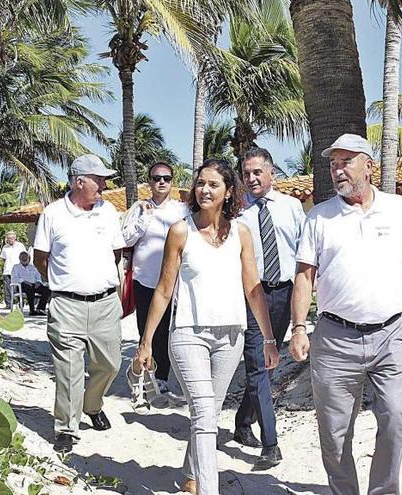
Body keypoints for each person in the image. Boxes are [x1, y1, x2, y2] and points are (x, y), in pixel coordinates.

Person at [289, 134, 402, 495]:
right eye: (333, 164)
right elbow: (305, 277)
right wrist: (298, 328)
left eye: (345, 162)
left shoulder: (398, 208)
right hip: (335, 339)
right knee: (335, 433)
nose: (337, 170)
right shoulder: (319, 216)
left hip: (390, 335)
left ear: (369, 165)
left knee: (395, 420)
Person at [136, 159, 280, 495]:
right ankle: (207, 489)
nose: (204, 189)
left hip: (230, 335)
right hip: (188, 334)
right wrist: (146, 342)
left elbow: (253, 288)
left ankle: (190, 475)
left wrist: (270, 339)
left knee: (208, 414)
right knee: (203, 411)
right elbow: (163, 288)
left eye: (213, 184)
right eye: (200, 183)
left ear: (229, 191)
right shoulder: (181, 230)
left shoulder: (241, 233)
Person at [33, 154, 126, 453]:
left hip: (105, 304)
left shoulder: (109, 211)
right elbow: (40, 259)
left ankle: (92, 404)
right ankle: (66, 428)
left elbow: (116, 253)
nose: (104, 184)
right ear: (78, 181)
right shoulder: (52, 214)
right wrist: (65, 283)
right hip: (66, 306)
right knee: (69, 370)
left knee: (110, 364)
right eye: (98, 179)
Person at [232, 147, 305, 470]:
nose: (251, 179)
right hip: (251, 295)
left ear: (271, 172)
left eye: (257, 172)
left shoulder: (292, 208)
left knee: (268, 363)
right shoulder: (235, 214)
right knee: (259, 364)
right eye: (246, 174)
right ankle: (270, 444)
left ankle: (242, 421)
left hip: (285, 294)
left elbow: (304, 253)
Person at [122, 162, 191, 399]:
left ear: (172, 181)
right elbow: (125, 239)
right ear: (149, 181)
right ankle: (144, 375)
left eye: (166, 178)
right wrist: (144, 219)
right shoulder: (138, 209)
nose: (161, 182)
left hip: (173, 281)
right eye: (156, 178)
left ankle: (161, 377)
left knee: (167, 331)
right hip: (145, 279)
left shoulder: (183, 210)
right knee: (146, 330)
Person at [11, 251, 50, 315]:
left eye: (25, 257)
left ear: (29, 258)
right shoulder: (16, 267)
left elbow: (38, 277)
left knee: (47, 290)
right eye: (22, 257)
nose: (24, 259)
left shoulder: (33, 267)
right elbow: (14, 278)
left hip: (34, 284)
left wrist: (38, 282)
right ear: (19, 258)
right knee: (29, 288)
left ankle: (40, 309)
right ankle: (32, 310)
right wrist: (24, 281)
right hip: (22, 285)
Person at [0, 231, 27, 309]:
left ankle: (21, 302)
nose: (10, 240)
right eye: (9, 238)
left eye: (12, 238)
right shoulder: (5, 247)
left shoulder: (20, 246)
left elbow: (24, 256)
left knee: (19, 287)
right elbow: (3, 258)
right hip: (7, 270)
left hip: (18, 270)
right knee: (7, 288)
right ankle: (8, 303)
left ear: (15, 238)